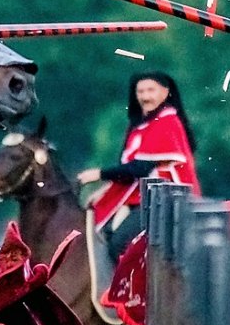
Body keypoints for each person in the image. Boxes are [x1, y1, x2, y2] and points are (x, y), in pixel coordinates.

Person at [76, 71, 201, 262]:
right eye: (140, 91)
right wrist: (106, 189)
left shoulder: (167, 122)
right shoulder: (141, 126)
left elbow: (140, 168)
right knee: (101, 232)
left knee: (121, 245)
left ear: (166, 92)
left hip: (164, 202)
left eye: (151, 90)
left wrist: (99, 174)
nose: (145, 96)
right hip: (143, 198)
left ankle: (133, 290)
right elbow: (130, 170)